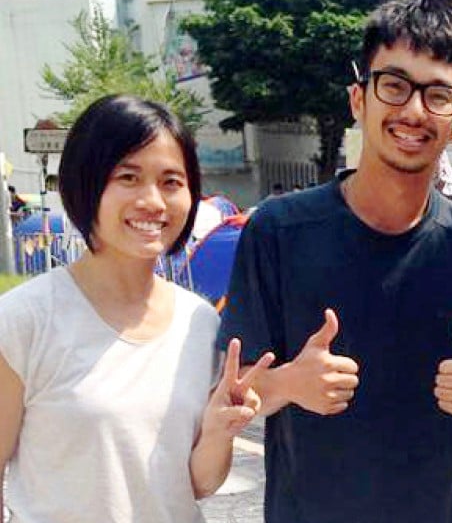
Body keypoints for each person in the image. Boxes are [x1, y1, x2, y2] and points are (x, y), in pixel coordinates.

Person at [217, 0, 452, 523]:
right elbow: (237, 388)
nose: (413, 111)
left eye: (438, 95)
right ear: (359, 99)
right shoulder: (279, 231)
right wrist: (290, 382)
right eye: (394, 86)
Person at [0, 94, 272, 523]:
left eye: (171, 182)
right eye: (128, 177)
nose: (154, 201)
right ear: (86, 184)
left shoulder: (199, 322)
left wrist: (220, 430)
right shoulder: (24, 320)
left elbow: (196, 484)